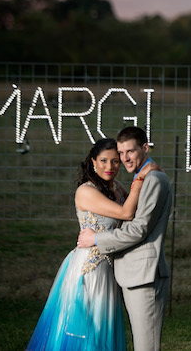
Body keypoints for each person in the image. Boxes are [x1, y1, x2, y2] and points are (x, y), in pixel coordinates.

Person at [26, 138, 158, 351]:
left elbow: (137, 214)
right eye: (104, 161)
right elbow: (126, 212)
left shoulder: (116, 188)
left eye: (115, 161)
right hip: (90, 269)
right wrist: (140, 178)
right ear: (93, 161)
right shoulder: (85, 191)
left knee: (102, 330)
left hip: (109, 268)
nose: (110, 167)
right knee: (87, 332)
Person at [78, 126, 173, 351]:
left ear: (145, 148)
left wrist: (97, 239)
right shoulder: (136, 181)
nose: (124, 158)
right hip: (125, 274)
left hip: (145, 274)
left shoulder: (153, 180)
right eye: (121, 153)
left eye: (129, 152)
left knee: (146, 346)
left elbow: (138, 229)